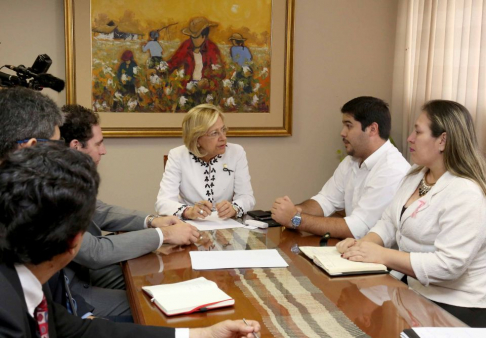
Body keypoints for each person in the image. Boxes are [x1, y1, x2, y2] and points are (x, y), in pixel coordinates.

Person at [0, 143, 261, 338]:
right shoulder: (7, 314)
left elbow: (82, 332)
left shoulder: (30, 280)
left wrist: (203, 334)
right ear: (76, 240)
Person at [337, 100, 486, 327]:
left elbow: (448, 265)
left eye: (418, 131)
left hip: (457, 308)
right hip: (413, 293)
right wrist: (363, 246)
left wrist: (381, 255)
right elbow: (389, 222)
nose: (409, 138)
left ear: (443, 140)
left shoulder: (466, 192)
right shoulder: (415, 175)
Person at [60, 104, 200, 318]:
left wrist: (152, 221)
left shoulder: (66, 176)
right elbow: (95, 252)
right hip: (70, 291)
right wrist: (165, 235)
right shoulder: (51, 185)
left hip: (81, 272)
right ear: (76, 146)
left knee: (161, 277)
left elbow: (100, 211)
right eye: (98, 144)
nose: (103, 150)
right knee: (154, 305)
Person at [272, 96, 410, 239]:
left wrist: (296, 219)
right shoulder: (352, 160)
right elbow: (325, 200)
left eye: (349, 125)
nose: (342, 132)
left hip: (378, 258)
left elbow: (357, 228)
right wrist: (295, 210)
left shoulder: (392, 169)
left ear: (372, 129)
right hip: (352, 251)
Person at [155, 103, 255, 220]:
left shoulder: (236, 152)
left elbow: (247, 197)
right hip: (191, 227)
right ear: (197, 139)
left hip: (226, 224)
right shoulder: (178, 155)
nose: (223, 138)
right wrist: (189, 211)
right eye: (214, 133)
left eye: (223, 130)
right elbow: (162, 203)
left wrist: (234, 208)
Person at [166, 17, 226, 98]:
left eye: (196, 37)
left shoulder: (212, 49)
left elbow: (220, 72)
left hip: (207, 92)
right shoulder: (186, 45)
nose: (193, 40)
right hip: (188, 89)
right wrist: (158, 70)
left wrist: (207, 82)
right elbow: (173, 62)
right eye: (192, 37)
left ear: (204, 36)